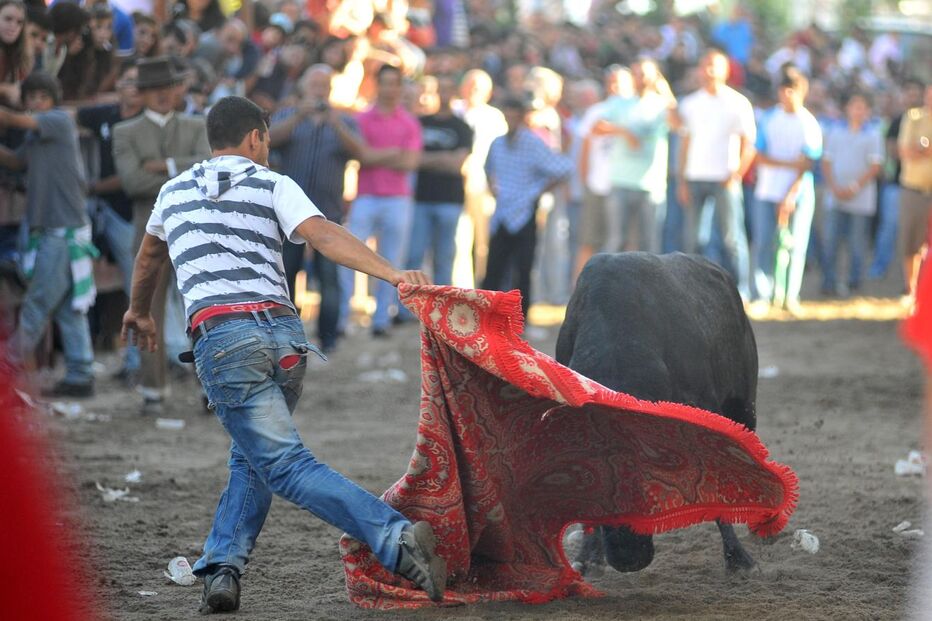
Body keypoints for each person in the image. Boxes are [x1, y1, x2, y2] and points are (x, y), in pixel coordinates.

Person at [121, 95, 445, 614]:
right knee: (255, 457)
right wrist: (393, 273)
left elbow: (149, 257)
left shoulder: (172, 190)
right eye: (267, 140)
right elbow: (321, 235)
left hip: (225, 340)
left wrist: (139, 312)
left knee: (284, 464)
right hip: (284, 340)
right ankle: (222, 567)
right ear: (255, 137)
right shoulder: (273, 183)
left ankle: (395, 537)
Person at [113, 56, 210, 414]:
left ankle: (208, 387)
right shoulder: (126, 131)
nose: (163, 95)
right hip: (150, 231)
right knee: (145, 308)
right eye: (155, 89)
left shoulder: (197, 125)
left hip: (192, 230)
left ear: (177, 89)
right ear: (143, 93)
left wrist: (165, 166)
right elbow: (132, 182)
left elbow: (209, 168)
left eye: (168, 88)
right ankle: (153, 390)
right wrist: (185, 167)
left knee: (200, 309)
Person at [0, 72, 96, 396]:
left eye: (43, 96)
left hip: (62, 230)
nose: (37, 102)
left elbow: (15, 119)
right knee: (69, 306)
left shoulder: (57, 120)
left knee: (38, 302)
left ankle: (8, 367)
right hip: (60, 228)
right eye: (32, 97)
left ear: (52, 99)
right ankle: (81, 373)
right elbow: (15, 161)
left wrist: (10, 111)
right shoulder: (38, 132)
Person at [269, 64, 360, 353]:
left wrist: (336, 124)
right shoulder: (287, 115)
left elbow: (361, 153)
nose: (319, 91)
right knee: (287, 275)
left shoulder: (344, 120)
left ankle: (329, 339)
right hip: (287, 215)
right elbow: (269, 140)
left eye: (324, 85)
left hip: (328, 213)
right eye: (314, 85)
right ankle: (290, 335)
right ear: (304, 87)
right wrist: (299, 115)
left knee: (329, 279)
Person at [340, 63, 421, 337]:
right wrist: (392, 153)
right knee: (348, 255)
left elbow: (409, 162)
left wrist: (374, 154)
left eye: (394, 83)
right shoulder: (363, 118)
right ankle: (342, 316)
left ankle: (381, 319)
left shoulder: (408, 122)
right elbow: (362, 156)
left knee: (391, 263)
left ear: (399, 86)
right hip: (367, 196)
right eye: (385, 82)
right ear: (378, 85)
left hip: (397, 198)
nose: (389, 88)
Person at [77, 62, 143, 384]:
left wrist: (91, 187)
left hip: (132, 213)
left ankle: (137, 362)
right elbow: (69, 116)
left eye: (136, 82)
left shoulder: (146, 124)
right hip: (102, 211)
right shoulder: (105, 114)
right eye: (126, 81)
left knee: (137, 290)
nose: (130, 87)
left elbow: (130, 177)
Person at [482, 96, 573, 318]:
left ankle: (520, 319)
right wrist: (493, 189)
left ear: (522, 118)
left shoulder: (532, 143)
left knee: (523, 269)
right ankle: (486, 317)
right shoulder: (498, 143)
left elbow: (563, 168)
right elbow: (488, 168)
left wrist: (539, 190)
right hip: (502, 212)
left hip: (525, 211)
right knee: (494, 268)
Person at [677, 48, 756, 300]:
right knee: (694, 239)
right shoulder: (690, 104)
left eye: (715, 65)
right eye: (705, 65)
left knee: (732, 237)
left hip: (724, 179)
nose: (709, 70)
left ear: (726, 70)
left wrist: (737, 174)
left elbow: (749, 144)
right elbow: (685, 144)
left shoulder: (738, 103)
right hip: (695, 176)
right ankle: (692, 290)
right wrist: (681, 179)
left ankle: (741, 290)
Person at [751, 67, 822, 308]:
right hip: (767, 189)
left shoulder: (808, 124)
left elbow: (807, 164)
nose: (787, 94)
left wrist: (791, 194)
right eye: (784, 89)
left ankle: (790, 295)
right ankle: (763, 293)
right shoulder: (769, 118)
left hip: (799, 193)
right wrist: (790, 163)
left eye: (793, 89)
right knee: (763, 243)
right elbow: (759, 155)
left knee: (796, 246)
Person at [595, 58, 676, 254]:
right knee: (616, 241)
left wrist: (666, 92)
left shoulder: (662, 105)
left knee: (650, 243)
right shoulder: (619, 103)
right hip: (621, 181)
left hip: (651, 185)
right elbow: (597, 127)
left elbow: (679, 124)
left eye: (645, 74)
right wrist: (625, 132)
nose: (641, 78)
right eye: (637, 73)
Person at [403, 74, 472, 288]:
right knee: (414, 255)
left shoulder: (462, 127)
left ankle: (443, 307)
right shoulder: (420, 123)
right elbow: (412, 159)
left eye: (448, 89)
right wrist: (443, 158)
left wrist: (427, 160)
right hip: (421, 198)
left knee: (444, 257)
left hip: (450, 199)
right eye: (439, 89)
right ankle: (410, 306)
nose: (443, 94)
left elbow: (457, 164)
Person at [821, 91, 883, 297]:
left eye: (862, 107)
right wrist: (835, 187)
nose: (858, 111)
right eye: (854, 106)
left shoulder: (873, 135)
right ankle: (828, 281)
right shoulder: (835, 131)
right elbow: (826, 162)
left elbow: (875, 166)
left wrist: (854, 187)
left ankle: (854, 281)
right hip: (835, 196)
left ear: (867, 111)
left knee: (857, 243)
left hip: (861, 200)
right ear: (847, 108)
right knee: (831, 240)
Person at [454, 68, 506, 285]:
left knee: (484, 239)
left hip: (483, 183)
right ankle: (459, 285)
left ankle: (484, 283)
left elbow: (500, 154)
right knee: (459, 238)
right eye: (470, 85)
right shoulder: (454, 110)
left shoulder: (494, 117)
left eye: (478, 87)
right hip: (456, 182)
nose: (473, 90)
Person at [870, 79, 924, 279]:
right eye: (908, 93)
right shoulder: (897, 120)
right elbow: (893, 149)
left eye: (915, 93)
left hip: (921, 187)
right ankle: (880, 267)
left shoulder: (927, 121)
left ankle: (913, 278)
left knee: (916, 236)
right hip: (896, 184)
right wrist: (913, 151)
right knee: (888, 228)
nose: (912, 97)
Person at [898, 83, 932, 302]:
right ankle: (911, 290)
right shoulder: (913, 117)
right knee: (912, 243)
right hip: (914, 190)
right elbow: (905, 151)